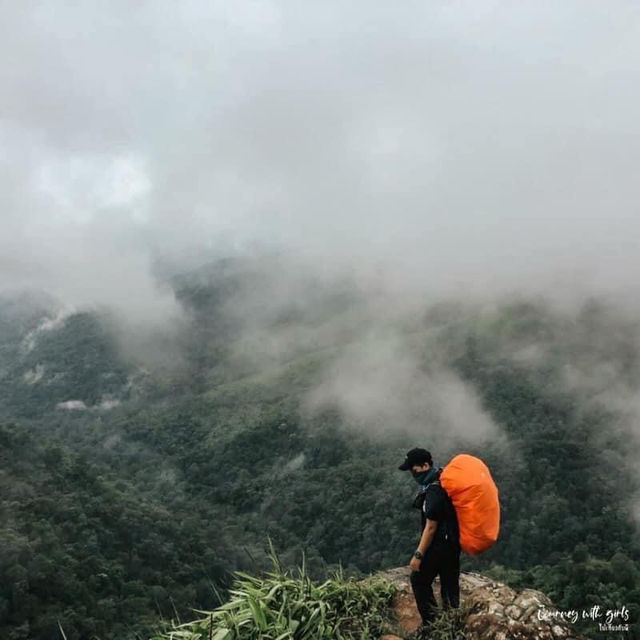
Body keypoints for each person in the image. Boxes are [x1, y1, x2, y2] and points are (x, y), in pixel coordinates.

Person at [399, 447, 461, 637]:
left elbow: (431, 527)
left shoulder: (434, 490)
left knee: (418, 579)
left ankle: (432, 626)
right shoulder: (443, 481)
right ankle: (453, 627)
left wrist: (418, 555)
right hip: (453, 545)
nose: (413, 474)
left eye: (414, 470)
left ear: (425, 465)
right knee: (449, 585)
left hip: (438, 546)